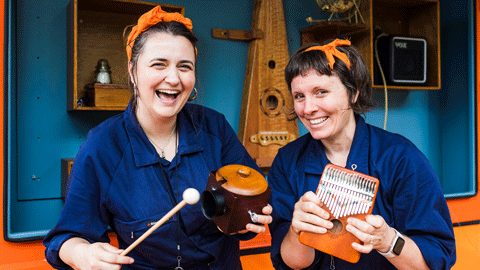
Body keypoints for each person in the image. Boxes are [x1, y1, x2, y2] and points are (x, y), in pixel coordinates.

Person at [44, 6, 272, 270]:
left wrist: (251, 217)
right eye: (159, 64)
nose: (173, 78)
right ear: (133, 72)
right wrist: (82, 253)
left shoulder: (214, 127)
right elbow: (64, 239)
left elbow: (248, 212)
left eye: (184, 67)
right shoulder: (102, 147)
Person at [268, 38, 456, 270]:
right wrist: (297, 231)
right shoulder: (287, 162)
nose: (308, 109)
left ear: (353, 92)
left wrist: (388, 241)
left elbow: (432, 263)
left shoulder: (401, 159)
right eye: (299, 96)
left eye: (321, 92)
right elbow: (294, 263)